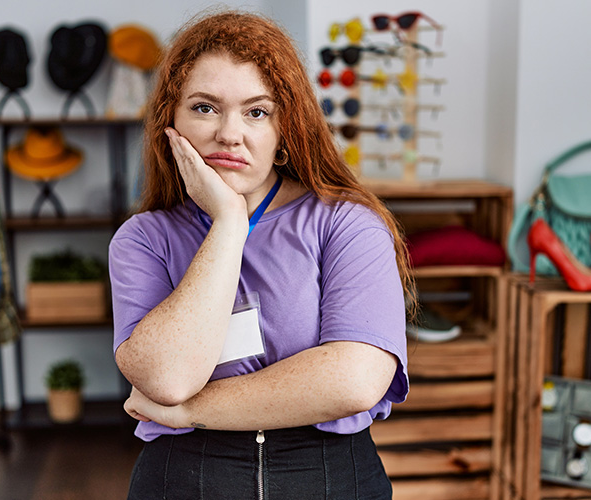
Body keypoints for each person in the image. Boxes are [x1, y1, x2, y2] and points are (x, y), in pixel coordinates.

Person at [109, 10, 415, 499]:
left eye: (257, 111)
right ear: (171, 124)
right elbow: (166, 377)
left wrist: (190, 410)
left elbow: (355, 379)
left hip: (330, 478)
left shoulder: (346, 223)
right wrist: (229, 223)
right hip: (186, 480)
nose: (230, 134)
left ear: (282, 134)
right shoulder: (143, 239)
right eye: (205, 107)